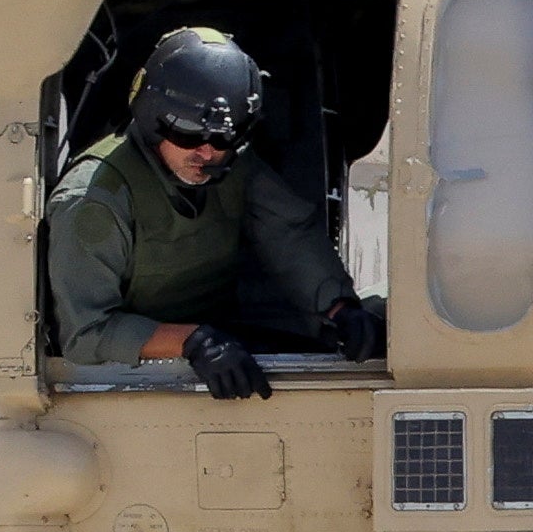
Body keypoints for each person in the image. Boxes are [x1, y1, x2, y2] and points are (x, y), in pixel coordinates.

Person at [43, 25, 382, 398]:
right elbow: (86, 335)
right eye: (188, 135)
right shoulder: (94, 199)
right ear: (153, 119)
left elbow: (288, 232)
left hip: (217, 334)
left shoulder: (231, 165)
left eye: (223, 138)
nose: (206, 153)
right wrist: (192, 341)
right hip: (127, 372)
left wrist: (338, 308)